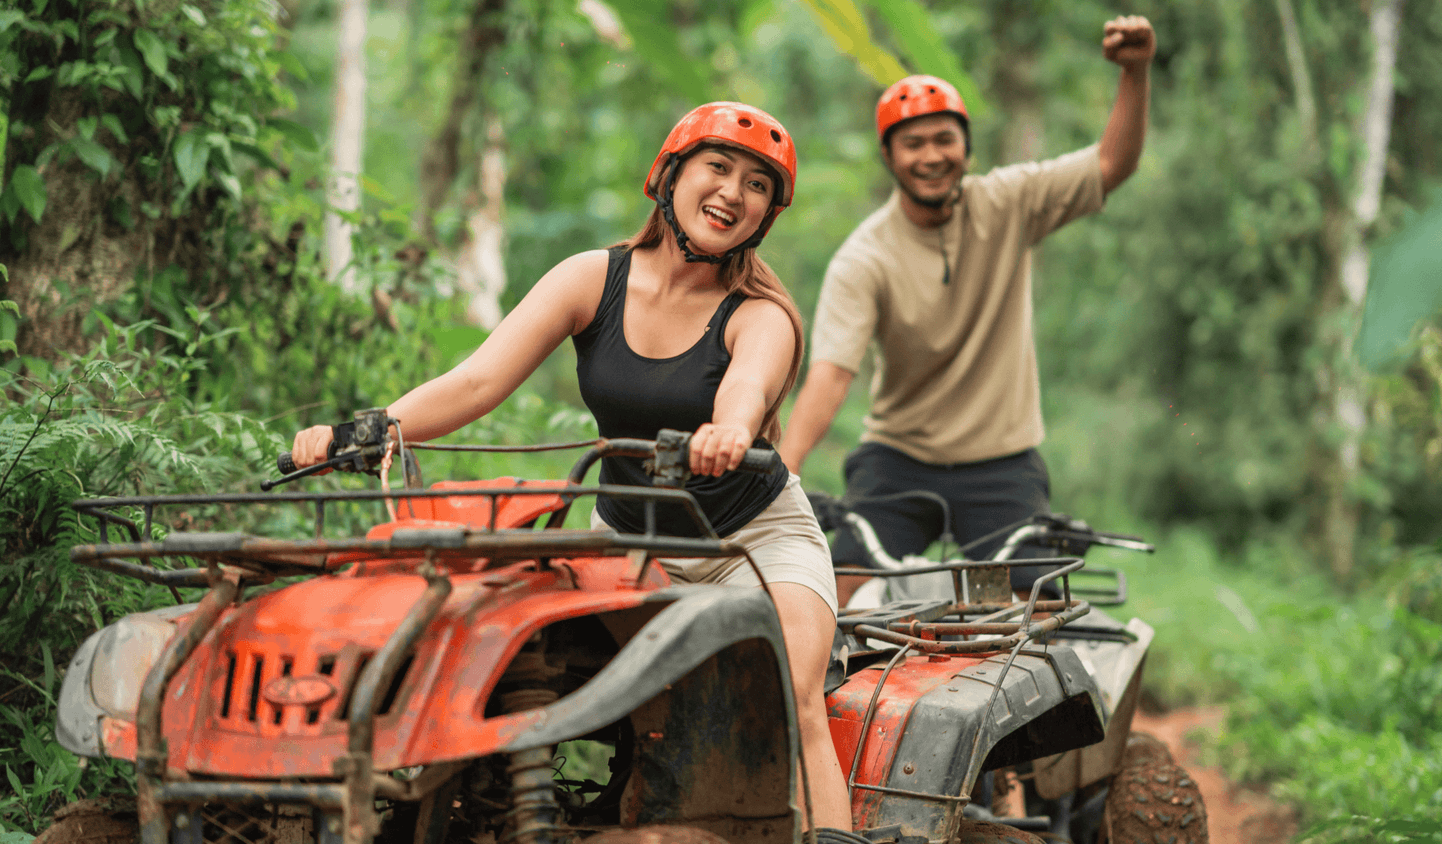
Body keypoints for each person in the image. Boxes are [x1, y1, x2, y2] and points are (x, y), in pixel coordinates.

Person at [290, 102, 859, 838]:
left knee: (795, 690)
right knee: (530, 662)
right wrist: (369, 429)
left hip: (750, 541)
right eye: (717, 167)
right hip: (630, 542)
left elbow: (744, 391)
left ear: (765, 215)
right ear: (670, 175)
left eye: (756, 184)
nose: (733, 192)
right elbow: (476, 382)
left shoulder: (760, 312)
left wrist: (727, 432)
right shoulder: (593, 278)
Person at [780, 16, 1157, 606]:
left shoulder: (1008, 203)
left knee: (1040, 612)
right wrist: (785, 473)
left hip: (1002, 462)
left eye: (944, 139)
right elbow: (830, 374)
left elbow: (1113, 165)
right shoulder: (865, 256)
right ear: (890, 155)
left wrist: (1134, 72)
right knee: (840, 587)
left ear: (966, 146)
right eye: (913, 143)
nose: (931, 156)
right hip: (899, 457)